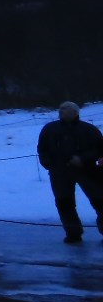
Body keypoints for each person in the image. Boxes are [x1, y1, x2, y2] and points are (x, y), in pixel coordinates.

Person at [37, 101, 103, 244]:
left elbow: (100, 149)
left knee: (99, 201)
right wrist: (48, 163)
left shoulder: (89, 129)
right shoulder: (49, 129)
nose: (61, 110)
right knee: (64, 203)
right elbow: (42, 148)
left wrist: (83, 159)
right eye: (60, 108)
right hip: (59, 172)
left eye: (65, 108)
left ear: (75, 112)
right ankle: (73, 233)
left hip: (87, 171)